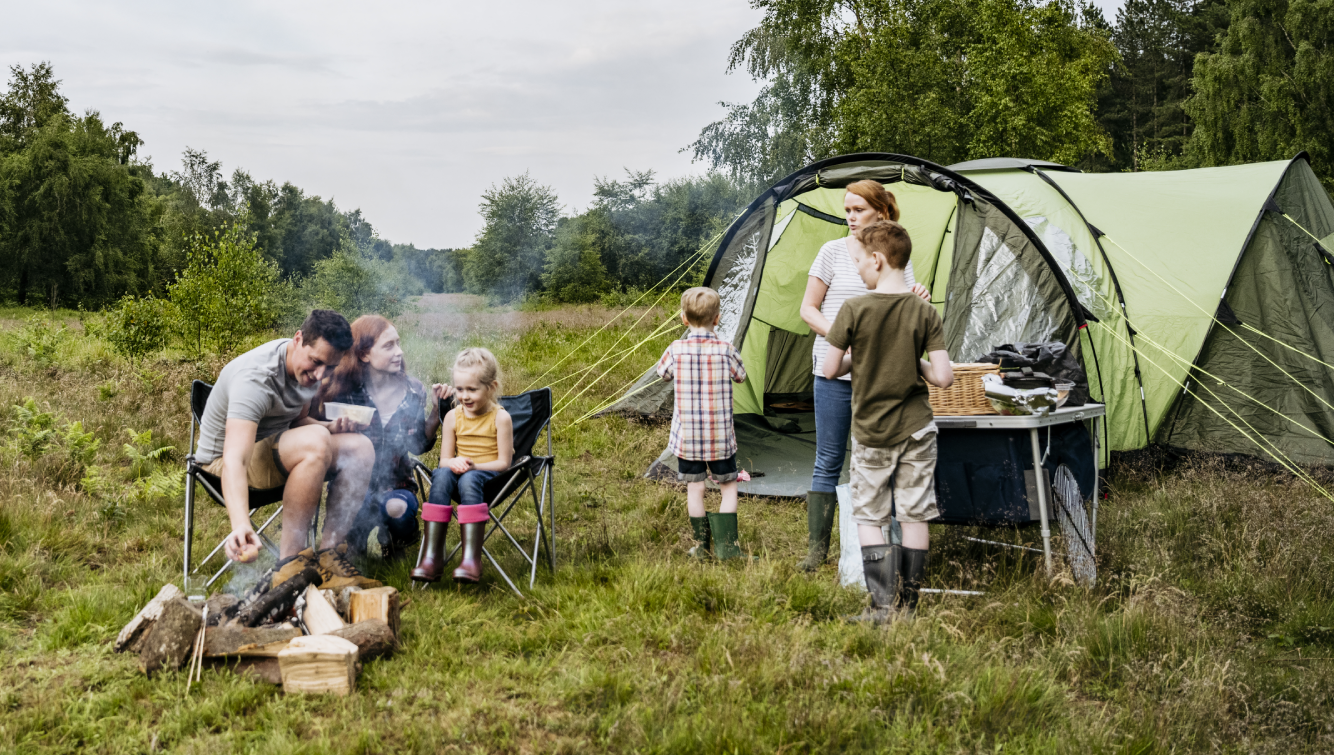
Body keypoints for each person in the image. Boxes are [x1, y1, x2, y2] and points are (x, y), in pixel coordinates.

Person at [796, 179, 931, 572]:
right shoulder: (832, 252)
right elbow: (808, 309)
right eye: (847, 210)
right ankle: (816, 551)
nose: (850, 217)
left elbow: (900, 311)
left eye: (858, 210)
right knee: (828, 459)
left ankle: (875, 553)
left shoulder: (891, 254)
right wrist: (843, 339)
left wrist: (915, 296)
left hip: (881, 379)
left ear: (881, 212)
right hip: (834, 370)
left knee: (878, 460)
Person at [195, 310, 381, 591]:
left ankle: (330, 557)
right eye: (316, 362)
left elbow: (297, 422)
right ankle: (290, 564)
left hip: (276, 449)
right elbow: (236, 457)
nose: (320, 375)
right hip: (224, 464)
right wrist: (241, 524)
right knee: (316, 441)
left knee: (360, 448)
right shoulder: (256, 379)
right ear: (298, 339)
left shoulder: (308, 369)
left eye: (329, 368)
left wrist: (331, 428)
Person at [823, 220, 953, 620]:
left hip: (873, 433)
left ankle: (882, 607)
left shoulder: (854, 309)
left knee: (870, 515)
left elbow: (830, 369)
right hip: (918, 428)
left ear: (877, 260)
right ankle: (909, 606)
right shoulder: (923, 311)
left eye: (860, 262)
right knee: (914, 513)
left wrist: (859, 356)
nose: (859, 268)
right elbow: (943, 378)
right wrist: (906, 355)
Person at [313, 315, 452, 560]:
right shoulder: (341, 391)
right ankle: (353, 545)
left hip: (397, 486)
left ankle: (395, 540)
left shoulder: (413, 390)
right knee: (352, 544)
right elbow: (313, 429)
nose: (399, 352)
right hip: (352, 487)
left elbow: (418, 445)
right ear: (364, 354)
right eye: (389, 346)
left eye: (398, 343)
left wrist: (436, 412)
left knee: (397, 508)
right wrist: (332, 427)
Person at [655, 287, 749, 560]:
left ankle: (700, 547)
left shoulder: (676, 349)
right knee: (728, 487)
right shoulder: (725, 350)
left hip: (688, 439)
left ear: (684, 319)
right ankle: (728, 548)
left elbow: (663, 373)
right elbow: (741, 376)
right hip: (720, 438)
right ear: (717, 319)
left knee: (695, 489)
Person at [412, 347, 514, 583]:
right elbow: (445, 460)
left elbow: (504, 462)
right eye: (459, 389)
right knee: (442, 473)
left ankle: (471, 560)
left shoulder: (501, 418)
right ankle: (432, 557)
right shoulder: (452, 417)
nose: (464, 396)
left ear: (491, 388)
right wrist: (455, 462)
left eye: (472, 389)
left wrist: (473, 465)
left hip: (488, 476)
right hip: (458, 473)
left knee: (468, 478)